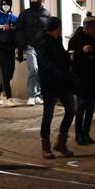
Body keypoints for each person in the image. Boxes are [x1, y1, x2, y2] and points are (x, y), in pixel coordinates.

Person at [36, 17, 76, 159]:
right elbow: (44, 62)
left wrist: (69, 59)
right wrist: (56, 71)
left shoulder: (57, 41)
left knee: (71, 109)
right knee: (48, 114)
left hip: (62, 82)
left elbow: (62, 57)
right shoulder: (43, 43)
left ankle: (61, 142)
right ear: (55, 28)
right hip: (50, 83)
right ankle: (45, 146)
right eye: (59, 27)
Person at [69, 16, 95, 145]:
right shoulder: (75, 40)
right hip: (80, 79)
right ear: (87, 28)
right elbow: (71, 59)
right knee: (81, 106)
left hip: (92, 78)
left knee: (90, 107)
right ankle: (78, 134)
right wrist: (82, 52)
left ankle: (86, 133)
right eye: (94, 28)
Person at [16, 0, 49, 104]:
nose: (33, 1)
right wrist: (22, 45)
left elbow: (49, 31)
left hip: (43, 47)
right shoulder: (25, 14)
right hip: (30, 46)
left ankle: (38, 95)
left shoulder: (46, 14)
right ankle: (32, 94)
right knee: (33, 68)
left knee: (41, 70)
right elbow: (19, 30)